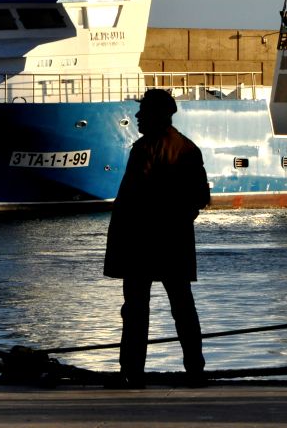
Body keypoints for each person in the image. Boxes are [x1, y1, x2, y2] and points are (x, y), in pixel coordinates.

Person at [103, 88, 211, 388]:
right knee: (183, 309)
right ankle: (195, 371)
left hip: (141, 245)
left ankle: (132, 372)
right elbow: (201, 197)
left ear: (156, 115)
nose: (137, 116)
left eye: (143, 111)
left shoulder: (144, 149)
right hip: (175, 244)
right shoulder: (188, 148)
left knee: (135, 310)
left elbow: (135, 199)